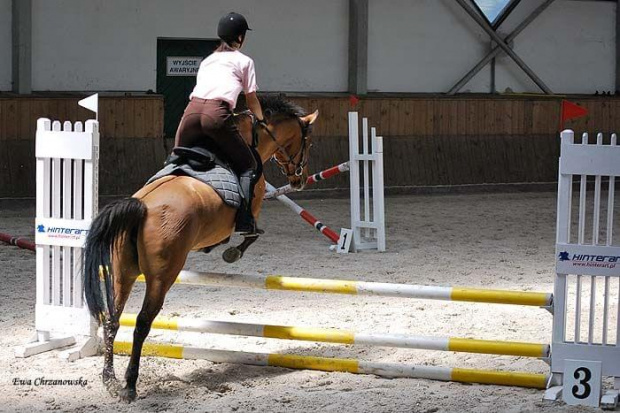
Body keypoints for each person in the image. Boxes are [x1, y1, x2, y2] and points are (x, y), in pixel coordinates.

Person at [173, 12, 264, 235]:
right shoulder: (245, 61)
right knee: (249, 165)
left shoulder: (207, 61)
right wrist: (261, 120)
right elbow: (251, 100)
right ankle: (244, 218)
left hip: (190, 115)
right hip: (217, 115)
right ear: (240, 38)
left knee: (176, 156)